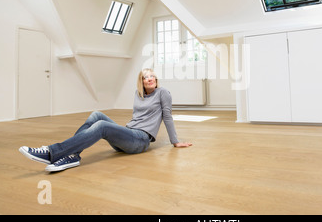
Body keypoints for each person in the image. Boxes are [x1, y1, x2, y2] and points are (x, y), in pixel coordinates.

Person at [19, 68, 192, 172]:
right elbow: (137, 117)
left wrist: (175, 142)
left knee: (101, 125)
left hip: (140, 141)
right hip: (127, 136)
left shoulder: (163, 93)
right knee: (96, 115)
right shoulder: (138, 93)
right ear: (141, 81)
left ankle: (52, 153)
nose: (150, 78)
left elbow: (167, 117)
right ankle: (72, 155)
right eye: (146, 77)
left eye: (152, 76)